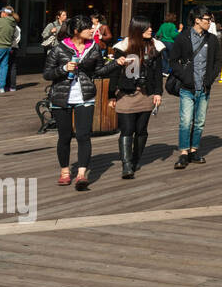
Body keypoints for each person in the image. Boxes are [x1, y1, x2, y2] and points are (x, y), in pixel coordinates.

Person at [43, 14, 114, 190]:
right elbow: (47, 74)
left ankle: (81, 174)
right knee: (65, 136)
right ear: (76, 31)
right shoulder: (59, 49)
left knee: (83, 136)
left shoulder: (94, 48)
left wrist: (116, 64)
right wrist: (63, 68)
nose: (92, 30)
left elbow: (99, 71)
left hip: (85, 96)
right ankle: (65, 171)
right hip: (61, 97)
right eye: (88, 28)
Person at [109, 16, 164, 179]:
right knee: (127, 130)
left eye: (150, 27)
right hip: (126, 94)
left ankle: (135, 160)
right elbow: (115, 73)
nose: (150, 30)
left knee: (141, 130)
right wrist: (111, 95)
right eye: (146, 28)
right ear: (137, 29)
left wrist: (158, 93)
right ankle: (126, 165)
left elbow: (158, 73)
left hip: (146, 94)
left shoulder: (155, 47)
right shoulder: (123, 47)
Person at [167, 7, 222, 170]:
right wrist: (184, 76)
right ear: (197, 20)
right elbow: (173, 61)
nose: (209, 22)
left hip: (204, 87)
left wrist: (211, 78)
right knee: (185, 121)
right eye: (207, 19)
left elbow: (217, 61)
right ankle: (183, 152)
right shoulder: (182, 38)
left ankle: (194, 150)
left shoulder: (212, 39)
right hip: (186, 87)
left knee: (199, 122)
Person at [4, 9, 22, 92]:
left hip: (9, 47)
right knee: (13, 67)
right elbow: (18, 39)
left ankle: (6, 85)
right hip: (15, 47)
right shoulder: (18, 28)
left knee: (5, 66)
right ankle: (13, 86)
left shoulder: (11, 27)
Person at [156, 12, 179, 77]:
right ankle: (169, 71)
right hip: (170, 43)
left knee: (165, 58)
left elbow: (158, 34)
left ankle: (164, 71)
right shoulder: (172, 25)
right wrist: (179, 31)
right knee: (172, 58)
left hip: (163, 43)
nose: (175, 19)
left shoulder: (162, 25)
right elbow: (173, 35)